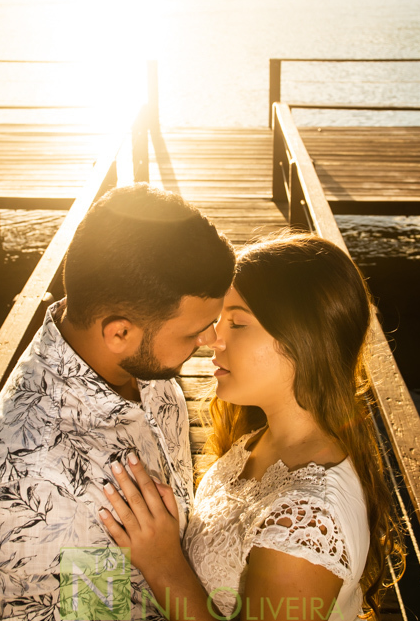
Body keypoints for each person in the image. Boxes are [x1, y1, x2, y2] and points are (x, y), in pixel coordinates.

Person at [0, 184, 236, 621]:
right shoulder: (34, 489)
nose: (211, 341)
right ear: (119, 333)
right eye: (194, 331)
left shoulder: (129, 352)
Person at [99, 233, 402, 621]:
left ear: (303, 340)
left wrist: (163, 565)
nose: (211, 340)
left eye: (237, 324)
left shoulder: (308, 520)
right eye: (216, 321)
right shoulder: (261, 438)